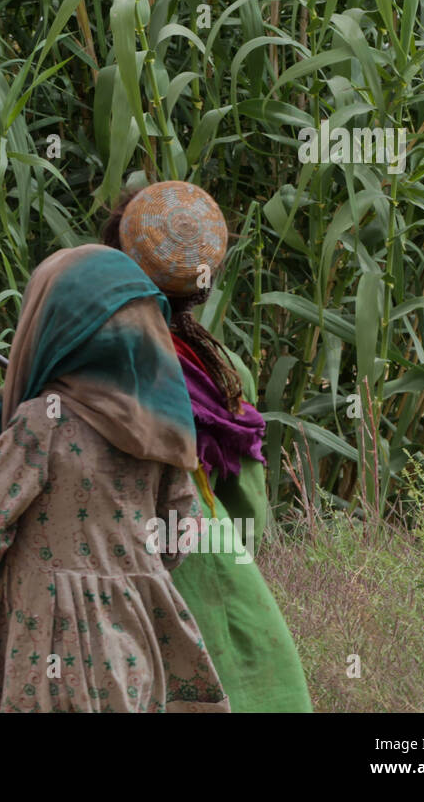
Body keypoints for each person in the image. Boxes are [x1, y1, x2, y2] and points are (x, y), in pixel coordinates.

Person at [0, 244, 230, 712]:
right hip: (134, 635)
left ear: (49, 330)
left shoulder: (42, 422)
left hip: (42, 642)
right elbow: (177, 539)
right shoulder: (163, 428)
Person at [102, 180, 312, 711]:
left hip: (110, 569)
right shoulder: (220, 370)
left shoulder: (86, 363)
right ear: (203, 284)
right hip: (212, 565)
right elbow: (247, 508)